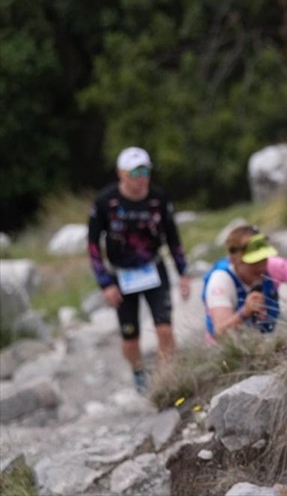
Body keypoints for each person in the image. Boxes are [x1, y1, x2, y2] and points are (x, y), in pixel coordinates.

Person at [88, 146, 191, 394]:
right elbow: (93, 246)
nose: (141, 177)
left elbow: (173, 238)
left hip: (153, 268)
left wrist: (183, 273)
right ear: (122, 174)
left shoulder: (159, 199)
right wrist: (105, 284)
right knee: (130, 335)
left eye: (145, 171)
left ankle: (168, 378)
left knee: (164, 327)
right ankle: (138, 372)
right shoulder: (105, 202)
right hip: (121, 273)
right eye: (135, 172)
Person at [201, 224, 287, 340]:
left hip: (263, 341)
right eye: (253, 262)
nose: (261, 267)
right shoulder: (220, 281)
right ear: (234, 260)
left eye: (264, 259)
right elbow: (219, 333)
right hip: (227, 357)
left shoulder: (273, 265)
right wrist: (245, 312)